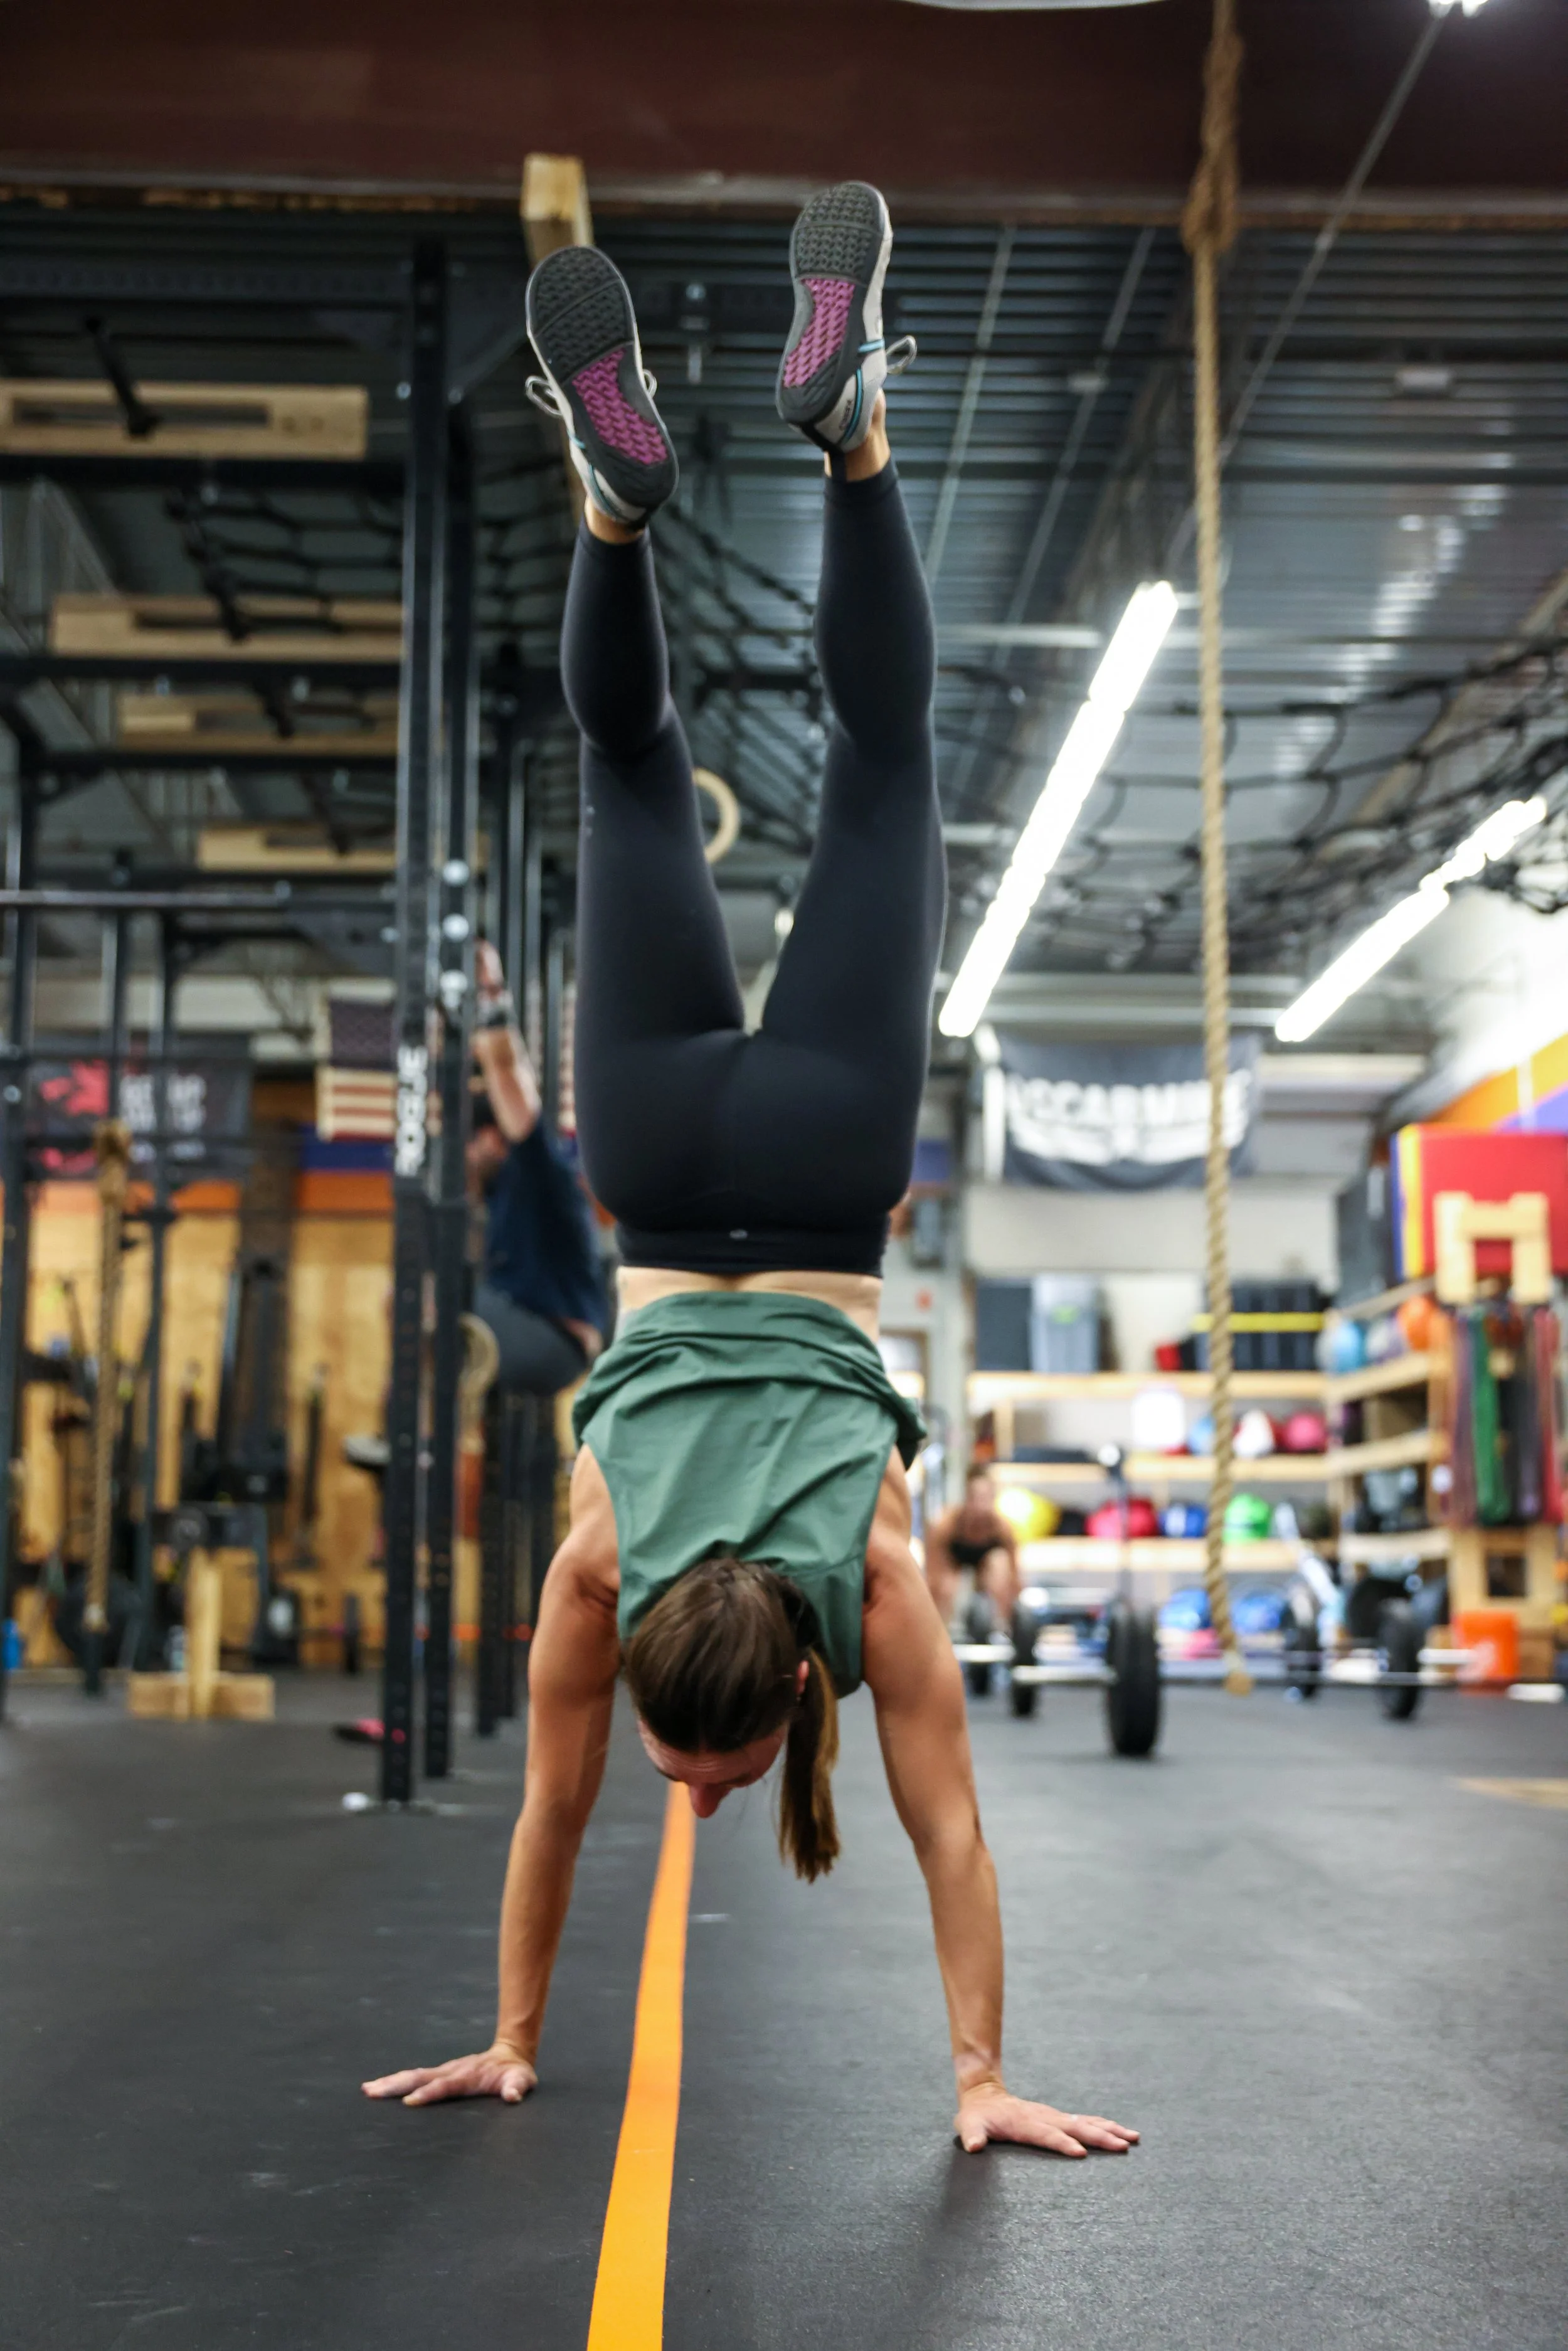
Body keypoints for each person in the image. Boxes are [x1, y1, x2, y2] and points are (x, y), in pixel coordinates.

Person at [365, 184, 1136, 2162]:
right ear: (669, 1674)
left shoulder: (868, 1580)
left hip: (817, 1177)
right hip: (649, 1153)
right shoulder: (594, 1571)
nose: (682, 1792)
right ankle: (611, 506)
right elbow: (550, 1815)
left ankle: (850, 427)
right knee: (631, 770)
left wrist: (980, 2078)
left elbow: (944, 1824)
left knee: (884, 769)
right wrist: (511, 2027)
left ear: (785, 1674)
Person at [466, 940, 607, 1394]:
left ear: (491, 1138)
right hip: (535, 1333)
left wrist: (489, 992)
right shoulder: (501, 1193)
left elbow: (507, 1071)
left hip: (553, 1340)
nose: (460, 1159)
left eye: (466, 1147)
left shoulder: (536, 1170)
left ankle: (421, 1434)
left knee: (424, 1296)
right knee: (433, 1290)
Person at [924, 1466, 1022, 1636]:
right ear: (967, 1499)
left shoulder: (1002, 1529)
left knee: (999, 1565)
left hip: (987, 1561)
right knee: (945, 1586)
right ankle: (939, 1635)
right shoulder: (946, 1526)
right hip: (955, 1557)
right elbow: (932, 1571)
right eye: (975, 1498)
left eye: (985, 1498)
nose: (980, 1505)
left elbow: (1015, 1576)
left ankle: (1002, 1629)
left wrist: (1012, 1601)